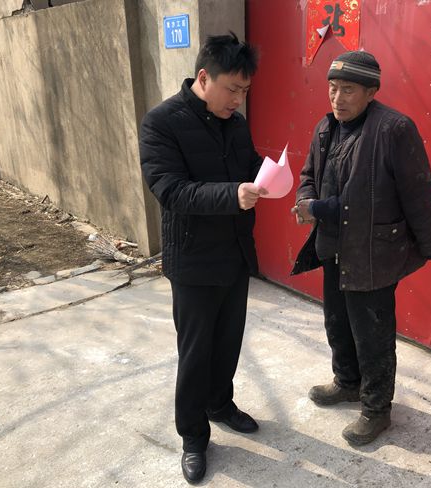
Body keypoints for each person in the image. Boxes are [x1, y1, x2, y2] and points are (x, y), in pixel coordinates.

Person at [291, 50, 431, 446]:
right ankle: (347, 382)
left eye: (348, 90)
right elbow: (308, 175)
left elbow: (417, 191)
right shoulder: (325, 128)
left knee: (372, 334)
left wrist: (430, 245)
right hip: (333, 246)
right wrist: (306, 199)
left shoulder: (394, 129)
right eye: (332, 88)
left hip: (373, 252)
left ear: (371, 91)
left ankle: (377, 409)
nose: (337, 98)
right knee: (337, 322)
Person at [139, 32, 265, 484]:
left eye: (244, 91)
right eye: (232, 89)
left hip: (234, 253)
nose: (238, 99)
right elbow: (170, 190)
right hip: (192, 260)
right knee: (195, 352)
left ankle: (220, 403)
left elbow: (249, 165)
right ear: (204, 77)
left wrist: (274, 174)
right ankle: (193, 435)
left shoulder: (236, 123)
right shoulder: (161, 123)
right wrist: (233, 195)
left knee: (228, 341)